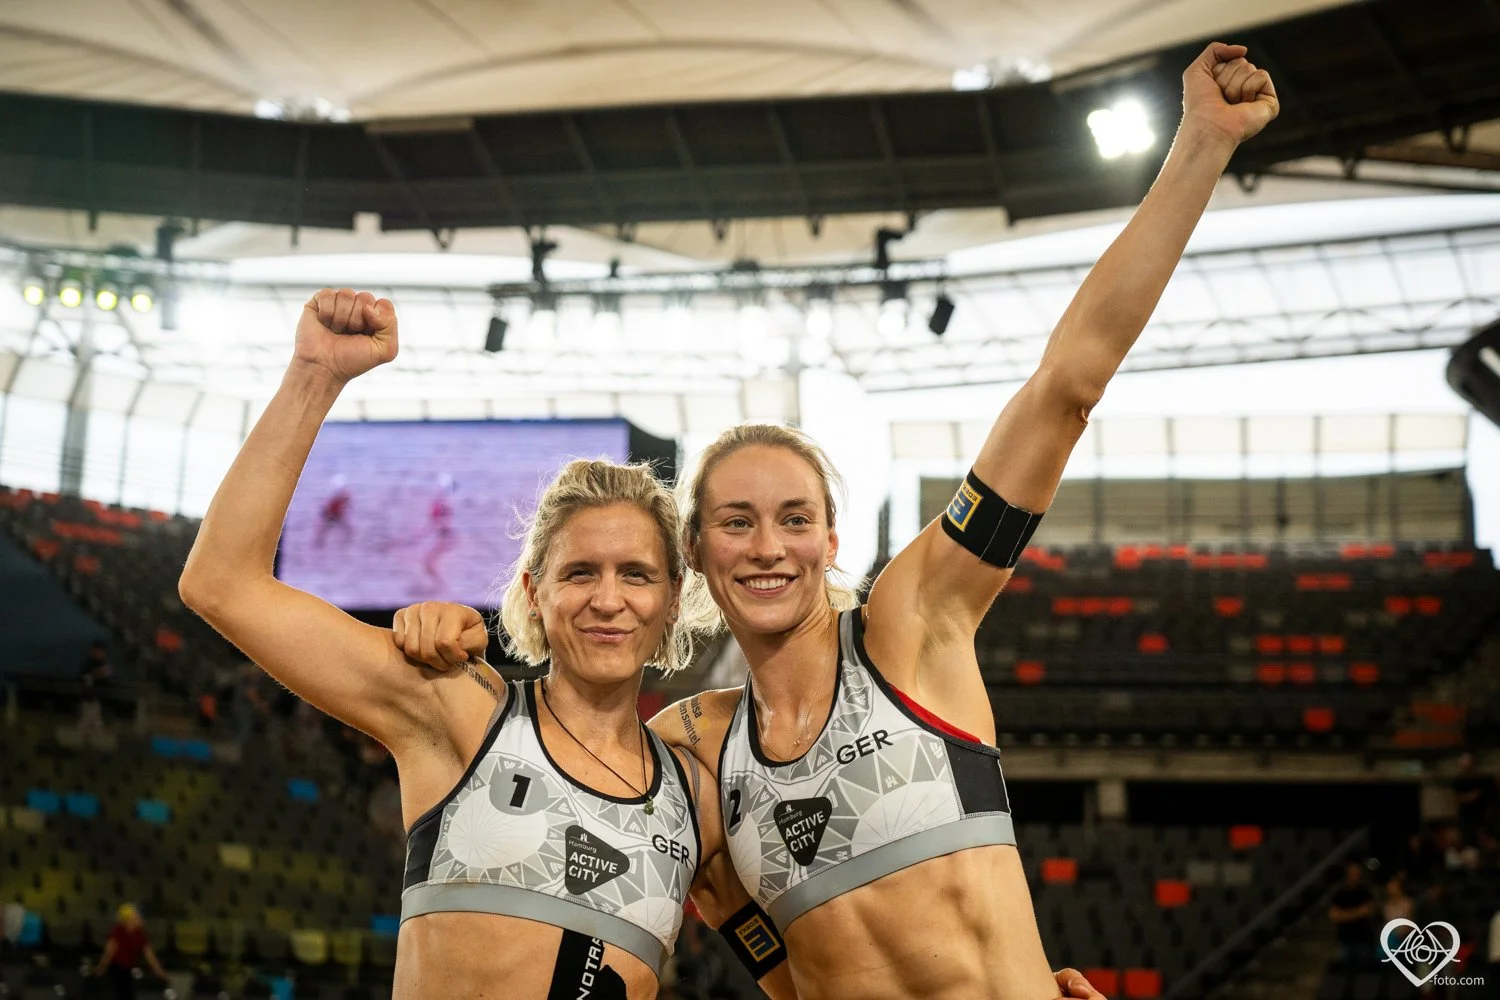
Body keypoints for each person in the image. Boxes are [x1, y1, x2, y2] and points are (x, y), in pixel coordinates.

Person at [404, 39, 1275, 1000]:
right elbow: (753, 957)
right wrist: (447, 639)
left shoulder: (912, 627)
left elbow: (1066, 386)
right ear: (695, 552)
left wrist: (1201, 143)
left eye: (794, 519)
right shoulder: (695, 756)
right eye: (736, 522)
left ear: (831, 539)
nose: (768, 548)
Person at [178, 289, 787, 1000]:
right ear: (534, 592)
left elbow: (812, 968)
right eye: (579, 573)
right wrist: (314, 376)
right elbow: (221, 582)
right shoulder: (455, 710)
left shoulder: (696, 798)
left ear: (673, 597)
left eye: (636, 574)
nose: (607, 599)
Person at [91, 904, 167, 1000]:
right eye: (136, 916)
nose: (140, 918)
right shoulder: (118, 931)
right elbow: (109, 952)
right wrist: (101, 968)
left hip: (129, 968)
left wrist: (160, 972)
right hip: (116, 968)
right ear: (128, 919)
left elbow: (150, 956)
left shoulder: (140, 934)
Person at [1330, 863, 1376, 966]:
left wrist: (1345, 914)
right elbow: (1335, 915)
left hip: (1363, 938)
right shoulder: (1339, 893)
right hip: (1345, 938)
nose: (1356, 876)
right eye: (1353, 874)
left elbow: (1368, 910)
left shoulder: (1365, 891)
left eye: (1358, 874)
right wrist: (1357, 912)